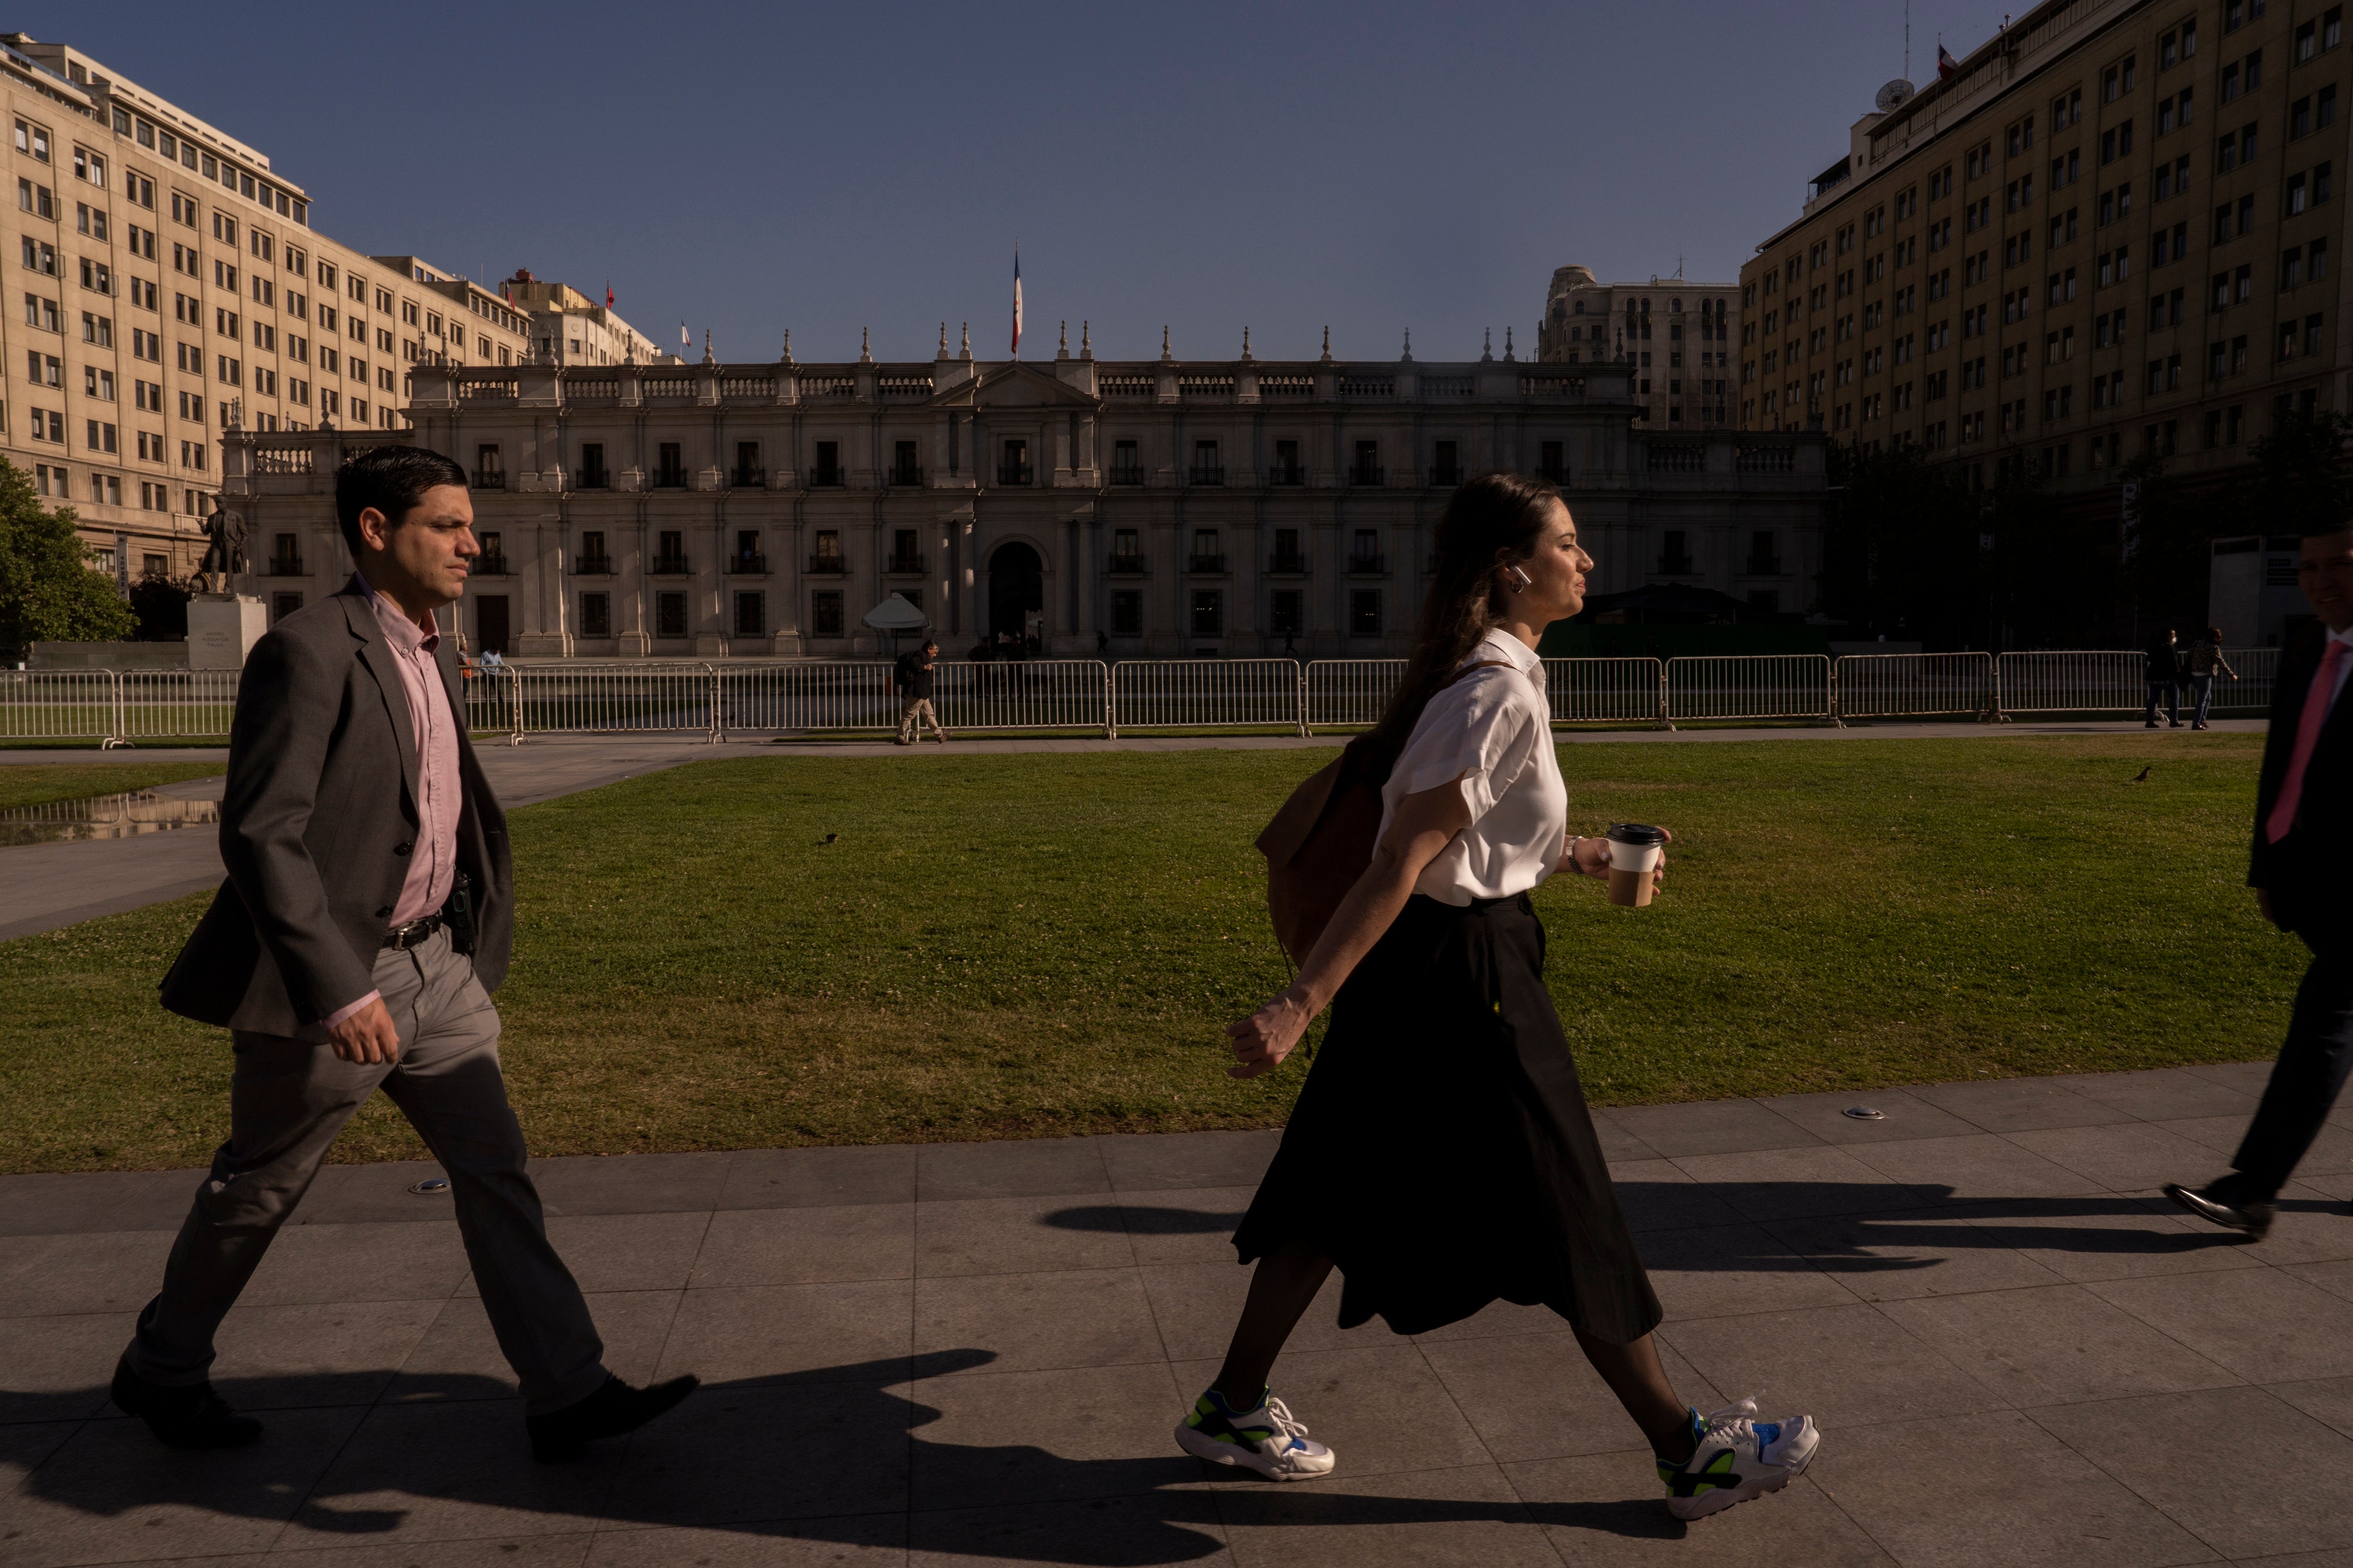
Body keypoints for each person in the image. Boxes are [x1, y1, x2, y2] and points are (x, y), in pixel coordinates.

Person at [1178, 473, 1817, 1520]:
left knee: (1332, 1185)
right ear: (1513, 570)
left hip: (1437, 963)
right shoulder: (1494, 689)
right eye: (1569, 543)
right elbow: (1401, 859)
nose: (1588, 560)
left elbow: (1458, 841)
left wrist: (1567, 853)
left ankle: (1231, 1404)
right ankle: (1689, 1451)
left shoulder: (1494, 677)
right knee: (1570, 1203)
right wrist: (1299, 1002)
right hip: (1465, 979)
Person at [111, 446, 697, 1460]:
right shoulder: (308, 650)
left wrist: (462, 933)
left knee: (496, 1170)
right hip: (340, 982)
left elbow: (431, 807)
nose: (475, 543)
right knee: (261, 1186)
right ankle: (162, 1366)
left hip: (438, 969)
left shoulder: (433, 648)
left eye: (474, 525)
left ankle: (566, 1392)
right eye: (448, 525)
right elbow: (262, 831)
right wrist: (338, 991)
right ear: (376, 531)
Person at [2167, 523, 2353, 1237]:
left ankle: (2253, 1188)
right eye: (2309, 565)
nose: (2320, 578)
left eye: (2339, 564)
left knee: (2324, 1022)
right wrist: (2266, 866)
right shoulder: (2310, 646)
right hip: (2312, 876)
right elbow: (2283, 763)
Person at [2184, 628, 2239, 731]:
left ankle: (2202, 720)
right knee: (2202, 700)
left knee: (2208, 697)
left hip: (2194, 674)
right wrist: (2231, 674)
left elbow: (2189, 654)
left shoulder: (2197, 644)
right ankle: (2196, 723)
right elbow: (2220, 662)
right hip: (2205, 675)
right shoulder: (2213, 648)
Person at [895, 636, 947, 744]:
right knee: (910, 714)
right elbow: (912, 664)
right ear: (929, 649)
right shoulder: (920, 655)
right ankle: (900, 737)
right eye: (935, 652)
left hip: (922, 693)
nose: (935, 655)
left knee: (929, 714)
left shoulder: (923, 656)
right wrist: (925, 667)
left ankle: (940, 735)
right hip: (916, 692)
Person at [2144, 628, 2184, 728]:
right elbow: (2175, 664)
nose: (2174, 638)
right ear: (2169, 636)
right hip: (2168, 678)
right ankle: (2174, 720)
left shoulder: (2155, 646)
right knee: (2174, 698)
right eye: (2173, 636)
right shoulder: (2170, 648)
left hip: (2154, 677)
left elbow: (2149, 658)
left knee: (2152, 700)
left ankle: (2149, 721)